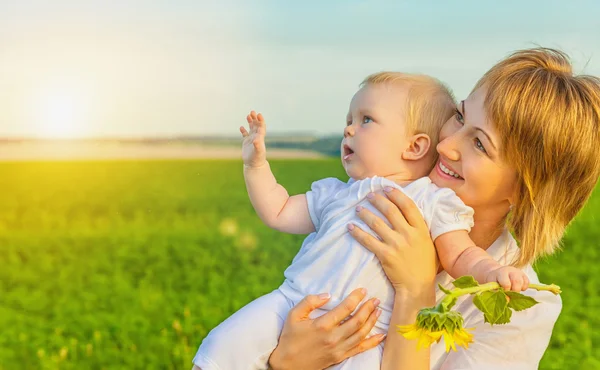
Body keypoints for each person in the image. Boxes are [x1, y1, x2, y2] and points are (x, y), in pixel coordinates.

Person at [266, 48, 600, 370]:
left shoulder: (518, 307)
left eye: (480, 144)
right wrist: (284, 362)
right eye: (459, 117)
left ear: (527, 191)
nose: (445, 145)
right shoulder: (375, 202)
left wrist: (415, 292)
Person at [193, 70, 532, 370]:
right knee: (223, 344)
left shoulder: (431, 201)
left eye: (366, 120)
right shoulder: (337, 193)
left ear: (414, 146)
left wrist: (492, 272)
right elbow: (278, 210)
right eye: (459, 117)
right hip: (294, 301)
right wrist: (255, 167)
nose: (349, 129)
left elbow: (460, 254)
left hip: (371, 334)